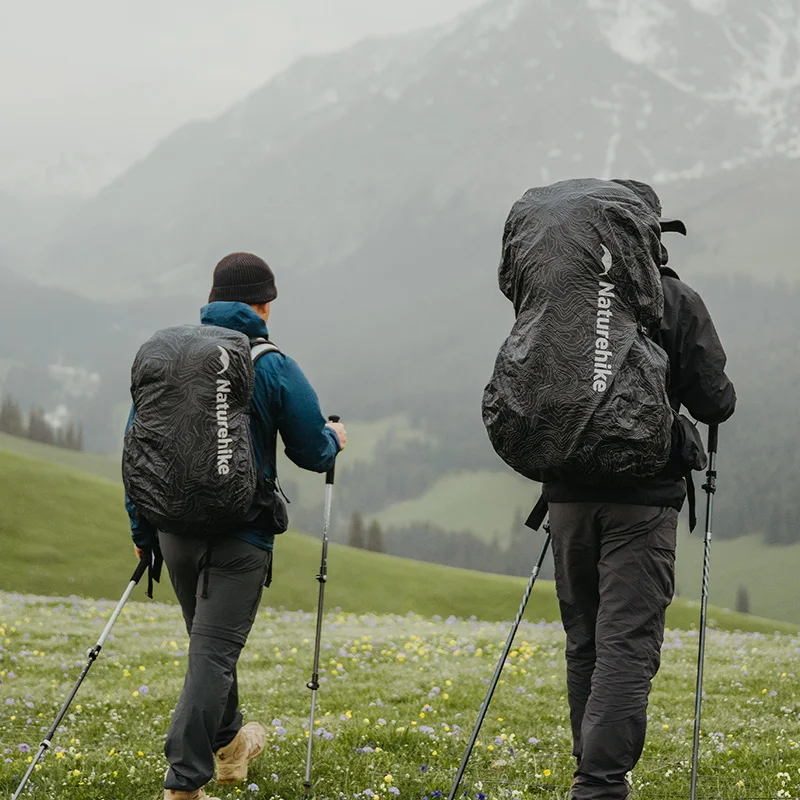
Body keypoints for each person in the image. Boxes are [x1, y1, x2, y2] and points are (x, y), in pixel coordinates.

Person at [125, 252, 347, 800]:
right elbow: (312, 451)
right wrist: (334, 438)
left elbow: (138, 448)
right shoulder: (269, 362)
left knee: (208, 648)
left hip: (173, 531)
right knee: (214, 655)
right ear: (265, 305)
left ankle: (230, 748)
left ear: (212, 301)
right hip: (240, 535)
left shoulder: (174, 362)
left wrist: (143, 532)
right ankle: (182, 785)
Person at [541, 231, 736, 799]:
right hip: (642, 499)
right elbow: (714, 400)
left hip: (567, 495)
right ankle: (599, 786)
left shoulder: (567, 298)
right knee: (626, 642)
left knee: (585, 639)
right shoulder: (673, 299)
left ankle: (591, 768)